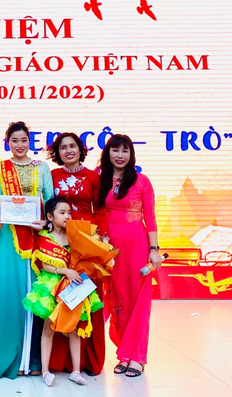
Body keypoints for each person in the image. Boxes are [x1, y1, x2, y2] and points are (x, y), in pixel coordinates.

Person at [0, 121, 53, 379]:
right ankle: (10, 356)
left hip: (35, 236)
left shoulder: (41, 167)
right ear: (8, 143)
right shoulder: (0, 168)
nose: (20, 145)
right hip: (8, 237)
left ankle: (34, 359)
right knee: (9, 293)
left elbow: (51, 199)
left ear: (30, 141)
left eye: (24, 140)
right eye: (15, 141)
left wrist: (44, 222)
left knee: (37, 296)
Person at [97, 134, 162, 378]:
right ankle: (124, 354)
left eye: (125, 151)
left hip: (137, 245)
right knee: (117, 300)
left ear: (131, 154)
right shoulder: (100, 178)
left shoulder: (142, 181)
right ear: (108, 153)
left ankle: (137, 357)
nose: (120, 156)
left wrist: (154, 250)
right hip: (110, 248)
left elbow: (151, 218)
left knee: (138, 300)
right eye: (115, 150)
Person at [24, 197, 103, 387]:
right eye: (62, 213)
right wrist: (64, 271)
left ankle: (76, 371)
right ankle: (45, 371)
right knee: (48, 327)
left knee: (75, 327)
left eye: (69, 212)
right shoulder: (45, 237)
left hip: (74, 285)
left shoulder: (76, 235)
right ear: (50, 216)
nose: (67, 216)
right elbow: (44, 265)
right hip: (52, 285)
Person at [47, 132, 107, 376]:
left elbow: (100, 209)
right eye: (63, 147)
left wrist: (101, 237)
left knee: (86, 297)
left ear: (81, 149)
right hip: (60, 241)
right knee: (60, 295)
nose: (68, 151)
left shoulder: (93, 177)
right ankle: (59, 362)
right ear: (57, 152)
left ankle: (87, 361)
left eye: (73, 146)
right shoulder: (52, 175)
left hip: (87, 242)